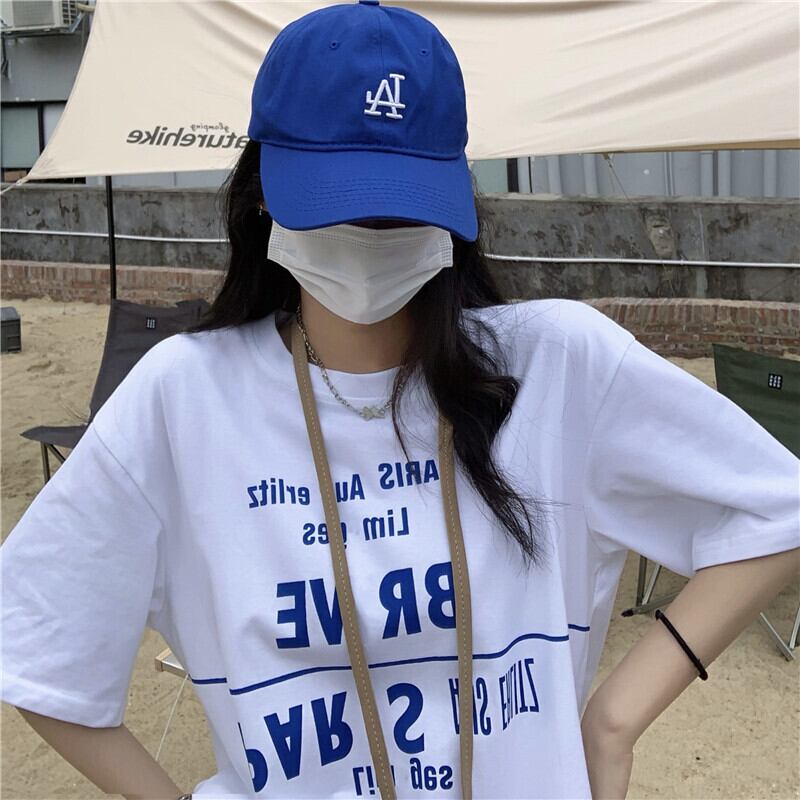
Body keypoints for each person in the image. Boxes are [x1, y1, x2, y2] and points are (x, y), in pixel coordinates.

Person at [2, 2, 799, 799]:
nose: (369, 234)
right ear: (262, 192)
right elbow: (33, 634)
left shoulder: (556, 366)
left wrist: (612, 721)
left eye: (400, 204)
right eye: (336, 199)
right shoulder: (183, 399)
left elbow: (776, 507)